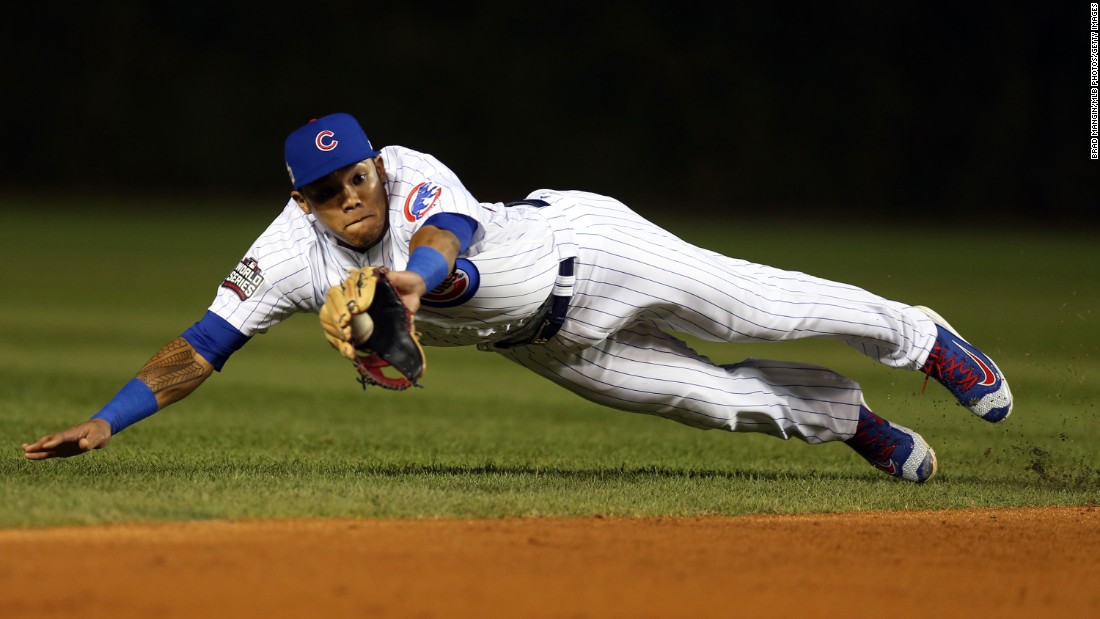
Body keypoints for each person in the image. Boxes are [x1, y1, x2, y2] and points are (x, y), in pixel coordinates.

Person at [22, 112, 1014, 482]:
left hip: (592, 250)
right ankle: (851, 423)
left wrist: (407, 289)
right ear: (302, 200)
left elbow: (450, 246)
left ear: (373, 163)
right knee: (718, 402)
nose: (351, 196)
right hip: (547, 342)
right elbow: (203, 343)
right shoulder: (286, 254)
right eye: (328, 191)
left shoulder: (411, 174)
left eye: (356, 175)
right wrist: (110, 421)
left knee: (761, 308)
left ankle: (920, 337)